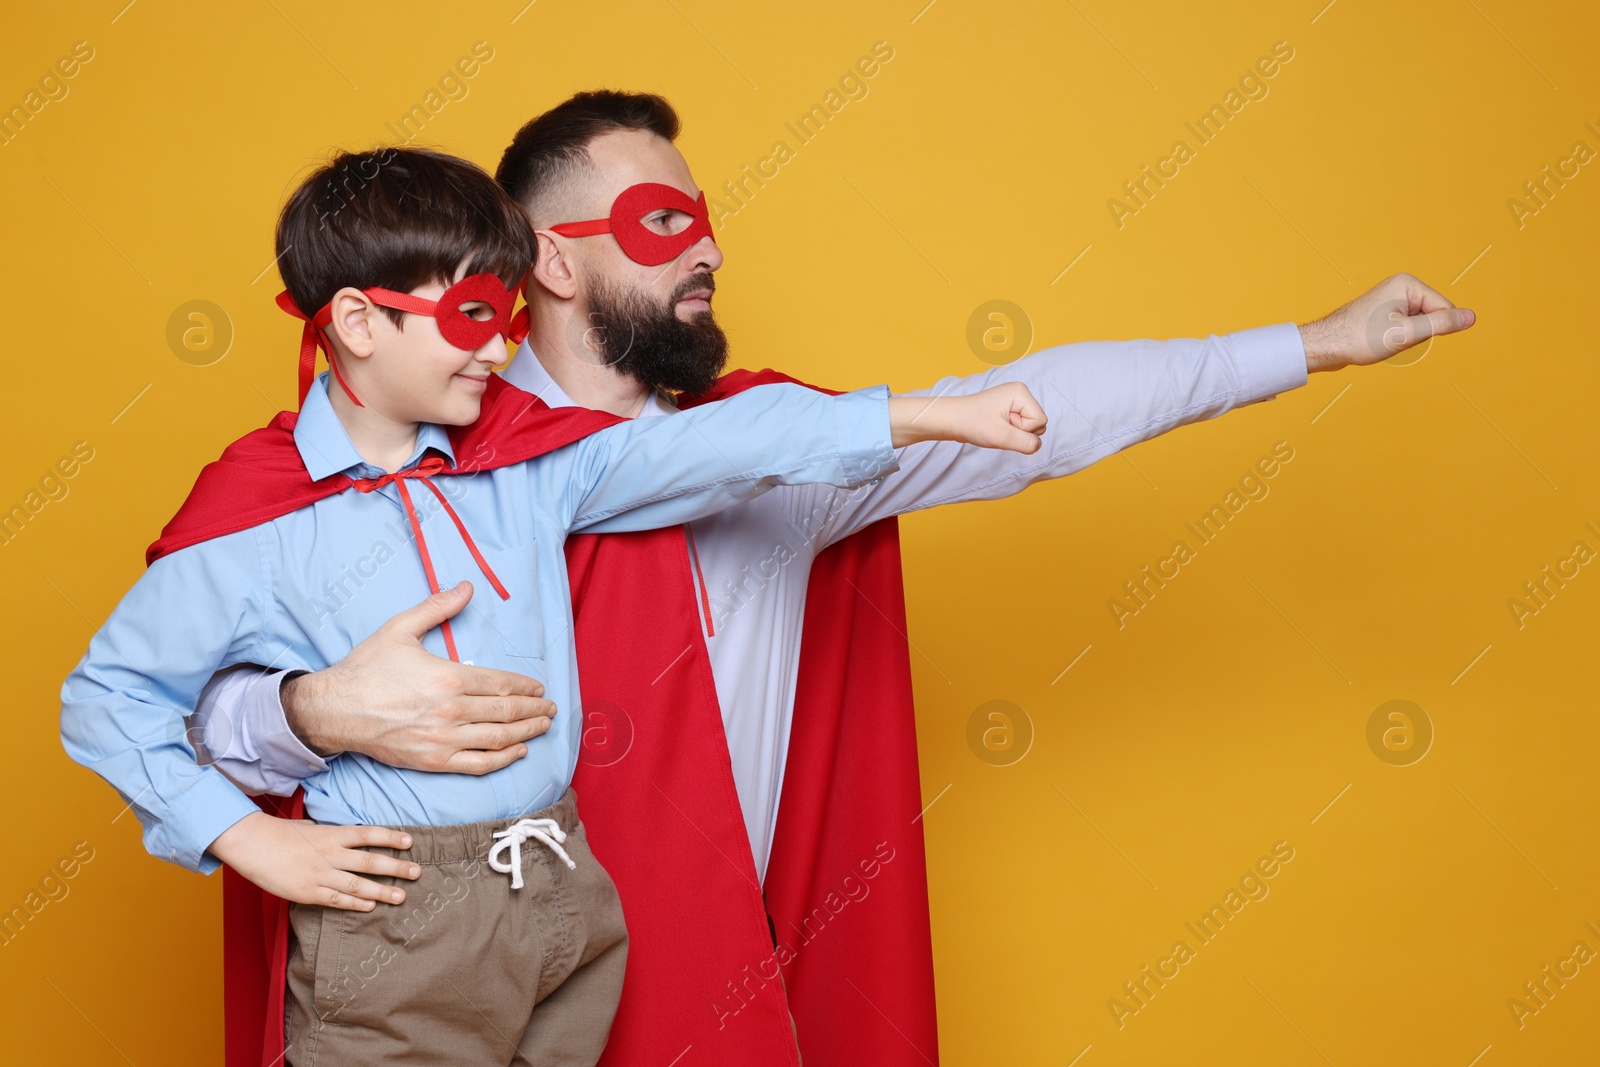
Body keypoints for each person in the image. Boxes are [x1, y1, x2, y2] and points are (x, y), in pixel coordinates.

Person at [196, 93, 1476, 1066]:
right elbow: (184, 705)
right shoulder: (381, 465)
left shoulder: (789, 457)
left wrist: (1315, 343)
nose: (706, 252)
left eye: (705, 221)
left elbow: (1038, 412)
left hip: (698, 999)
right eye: (663, 223)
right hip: (450, 1006)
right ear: (551, 262)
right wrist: (309, 711)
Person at [58, 145, 1048, 1066]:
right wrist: (244, 834)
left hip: (560, 886)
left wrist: (919, 415)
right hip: (401, 920)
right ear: (360, 322)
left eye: (506, 311)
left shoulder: (527, 466)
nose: (501, 347)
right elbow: (108, 697)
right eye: (471, 319)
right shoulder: (255, 514)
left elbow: (712, 446)